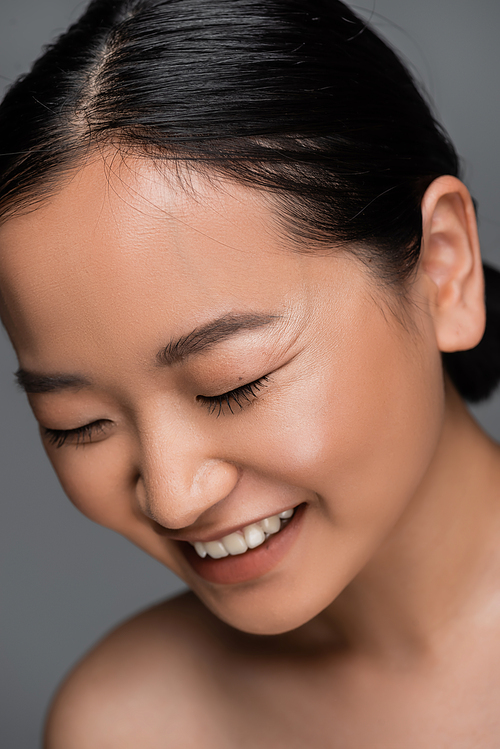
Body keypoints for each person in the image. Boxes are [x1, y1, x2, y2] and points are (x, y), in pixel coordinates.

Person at [1, 0, 500, 745]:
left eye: (232, 381)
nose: (173, 498)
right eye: (78, 425)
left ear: (442, 269)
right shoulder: (128, 726)